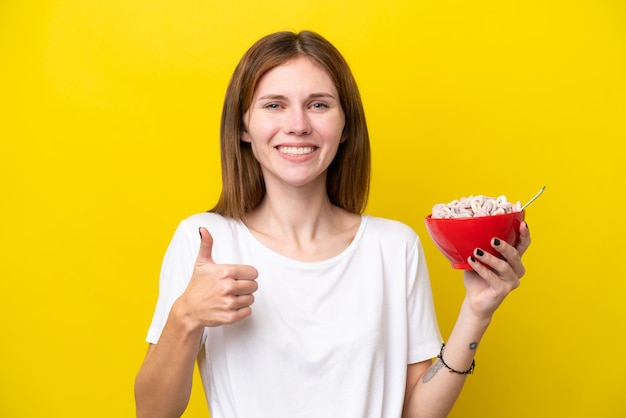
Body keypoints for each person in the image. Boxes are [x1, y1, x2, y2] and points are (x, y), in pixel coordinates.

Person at [134, 30, 531, 418]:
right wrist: (185, 316)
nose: (298, 125)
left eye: (319, 105)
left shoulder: (393, 247)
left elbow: (416, 412)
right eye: (274, 105)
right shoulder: (206, 241)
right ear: (243, 127)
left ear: (345, 127)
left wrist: (476, 312)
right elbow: (151, 413)